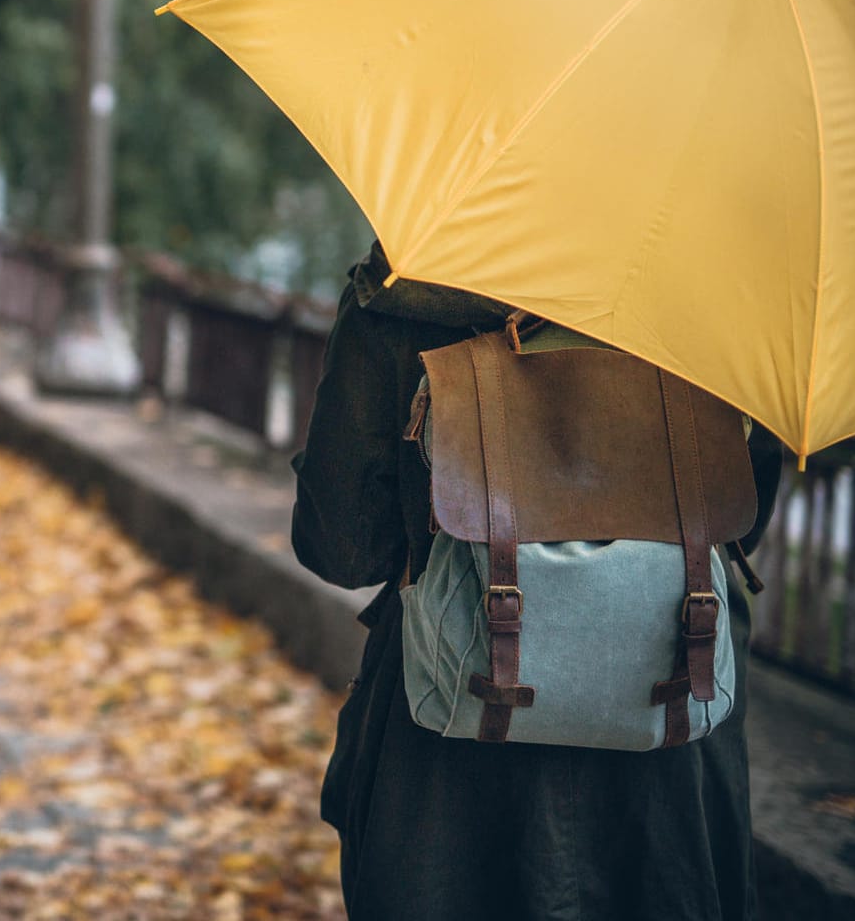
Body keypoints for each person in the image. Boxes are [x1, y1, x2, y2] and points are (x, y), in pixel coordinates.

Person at [291, 242, 783, 921]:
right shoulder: (728, 291)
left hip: (448, 766)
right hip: (671, 744)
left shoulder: (412, 279)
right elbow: (740, 525)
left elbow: (341, 549)